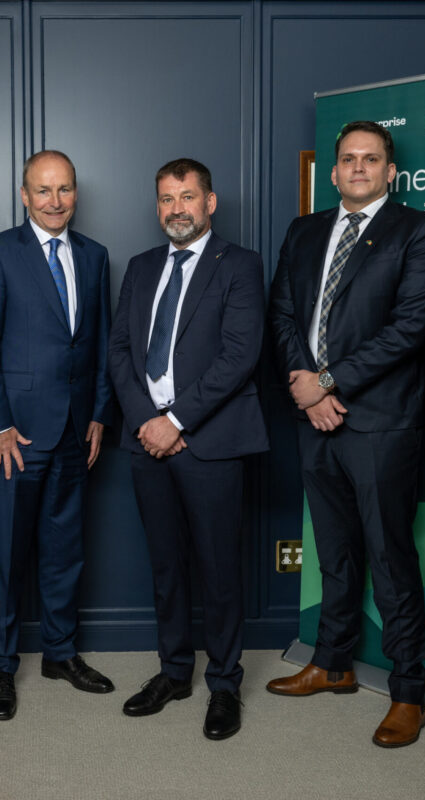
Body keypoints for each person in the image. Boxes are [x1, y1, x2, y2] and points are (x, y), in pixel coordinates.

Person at [267, 121, 425, 747]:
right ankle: (332, 662)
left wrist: (328, 382)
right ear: (334, 170)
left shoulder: (419, 230)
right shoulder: (306, 229)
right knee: (336, 553)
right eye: (348, 159)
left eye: (371, 160)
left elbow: (410, 328)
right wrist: (301, 381)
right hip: (312, 417)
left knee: (391, 557)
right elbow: (284, 311)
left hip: (379, 421)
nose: (358, 168)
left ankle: (408, 693)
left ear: (390, 171)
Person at [108, 158, 268, 740]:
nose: (176, 208)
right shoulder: (142, 265)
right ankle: (174, 672)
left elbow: (239, 356)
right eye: (166, 199)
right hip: (145, 440)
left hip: (210, 442)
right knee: (166, 567)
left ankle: (224, 684)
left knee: (219, 570)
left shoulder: (241, 266)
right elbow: (120, 350)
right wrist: (147, 421)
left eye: (187, 197)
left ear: (211, 202)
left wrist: (174, 420)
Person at [0, 150, 115, 720]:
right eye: (43, 191)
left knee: (64, 551)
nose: (55, 201)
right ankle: (0, 668)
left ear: (76, 193)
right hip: (16, 436)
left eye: (65, 190)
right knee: (6, 554)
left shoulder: (95, 255)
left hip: (77, 431)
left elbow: (99, 344)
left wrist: (99, 413)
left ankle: (60, 653)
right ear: (24, 195)